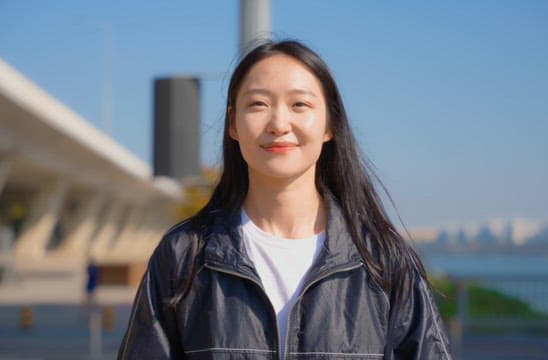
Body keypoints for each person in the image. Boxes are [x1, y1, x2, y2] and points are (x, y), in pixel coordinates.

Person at [119, 40, 452, 359]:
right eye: (258, 104)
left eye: (300, 105)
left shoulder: (382, 259)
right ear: (233, 124)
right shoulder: (184, 255)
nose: (279, 123)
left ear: (329, 125)